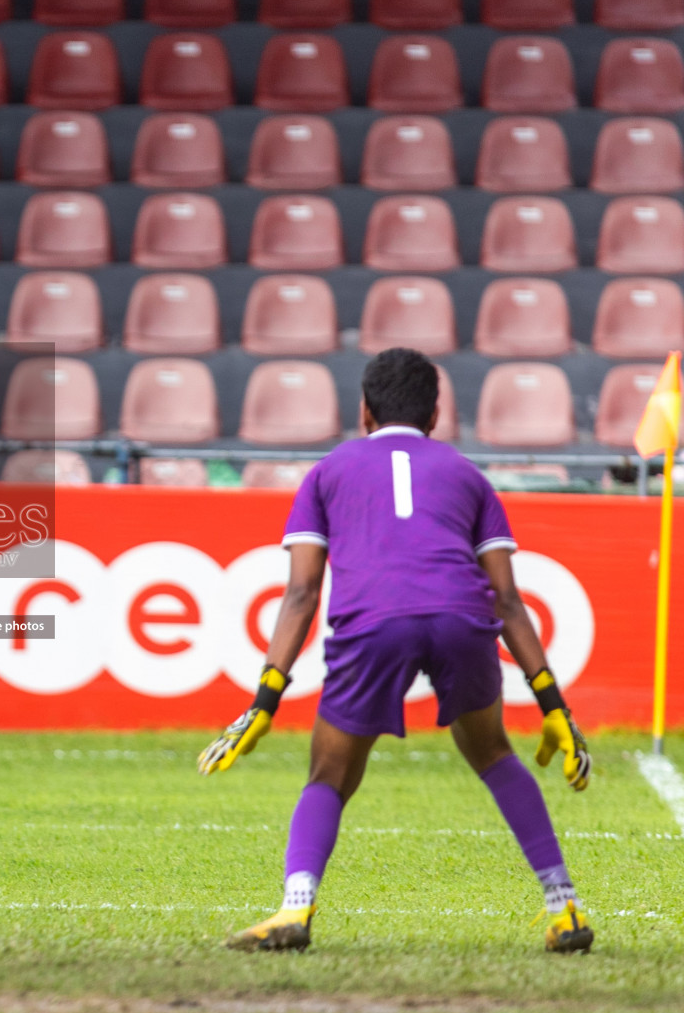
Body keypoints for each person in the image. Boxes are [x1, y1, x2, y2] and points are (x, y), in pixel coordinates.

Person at [199, 348, 594, 953]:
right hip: (463, 618)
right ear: (435, 416)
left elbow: (302, 592)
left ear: (364, 412)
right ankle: (564, 905)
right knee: (494, 755)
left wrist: (263, 701)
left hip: (375, 622)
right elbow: (510, 601)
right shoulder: (469, 476)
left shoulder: (327, 472)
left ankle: (294, 909)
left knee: (328, 775)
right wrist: (554, 707)